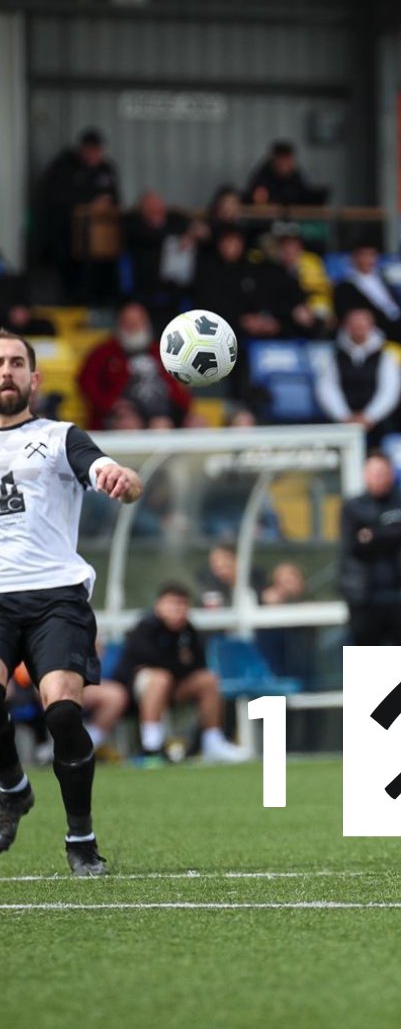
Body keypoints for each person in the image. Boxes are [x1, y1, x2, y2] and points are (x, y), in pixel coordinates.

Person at [0, 330, 142, 876]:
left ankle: (80, 837)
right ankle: (13, 788)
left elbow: (118, 481)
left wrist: (121, 478)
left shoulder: (60, 437)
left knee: (62, 710)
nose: (7, 371)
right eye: (0, 363)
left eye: (17, 363)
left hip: (55, 594)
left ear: (34, 379)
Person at [114, 583, 248, 763]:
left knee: (208, 680)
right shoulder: (146, 627)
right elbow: (147, 659)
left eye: (182, 604)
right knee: (160, 678)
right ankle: (151, 747)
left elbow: (197, 665)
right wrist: (178, 663)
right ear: (159, 606)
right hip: (139, 690)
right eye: (172, 604)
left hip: (175, 686)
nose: (177, 610)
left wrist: (176, 665)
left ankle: (213, 743)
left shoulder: (189, 631)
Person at [340, 454, 401, 645]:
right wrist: (393, 533)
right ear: (365, 475)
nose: (379, 478)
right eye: (374, 473)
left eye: (383, 473)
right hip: (364, 598)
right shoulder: (353, 506)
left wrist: (375, 535)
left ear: (391, 475)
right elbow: (354, 546)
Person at [33, 127, 121, 302]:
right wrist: (89, 203)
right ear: (83, 149)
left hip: (100, 241)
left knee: (103, 279)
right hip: (67, 240)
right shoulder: (64, 167)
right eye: (91, 151)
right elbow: (55, 198)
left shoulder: (105, 169)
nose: (94, 155)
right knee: (72, 283)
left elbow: (115, 198)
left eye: (98, 151)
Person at [76, 300, 192, 430]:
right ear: (119, 324)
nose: (133, 326)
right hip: (124, 413)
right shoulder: (103, 352)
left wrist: (185, 411)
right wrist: (111, 404)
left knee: (192, 425)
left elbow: (179, 388)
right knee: (130, 426)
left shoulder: (162, 352)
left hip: (164, 412)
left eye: (137, 321)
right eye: (128, 321)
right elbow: (86, 383)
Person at [313, 306, 401, 446]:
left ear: (371, 326)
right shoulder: (332, 356)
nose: (359, 327)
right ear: (346, 326)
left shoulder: (386, 356)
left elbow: (390, 391)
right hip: (342, 419)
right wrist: (343, 416)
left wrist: (370, 416)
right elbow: (328, 389)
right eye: (354, 324)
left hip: (377, 421)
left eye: (363, 323)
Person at [334, 240, 401, 347]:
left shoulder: (382, 279)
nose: (368, 260)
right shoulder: (345, 286)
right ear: (354, 258)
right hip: (376, 330)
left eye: (372, 255)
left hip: (400, 324)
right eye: (364, 255)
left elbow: (396, 305)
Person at [244, 141, 326, 206]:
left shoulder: (295, 174)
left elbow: (303, 196)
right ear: (275, 160)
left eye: (289, 159)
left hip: (294, 220)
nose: (286, 163)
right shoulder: (262, 175)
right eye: (283, 159)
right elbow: (255, 198)